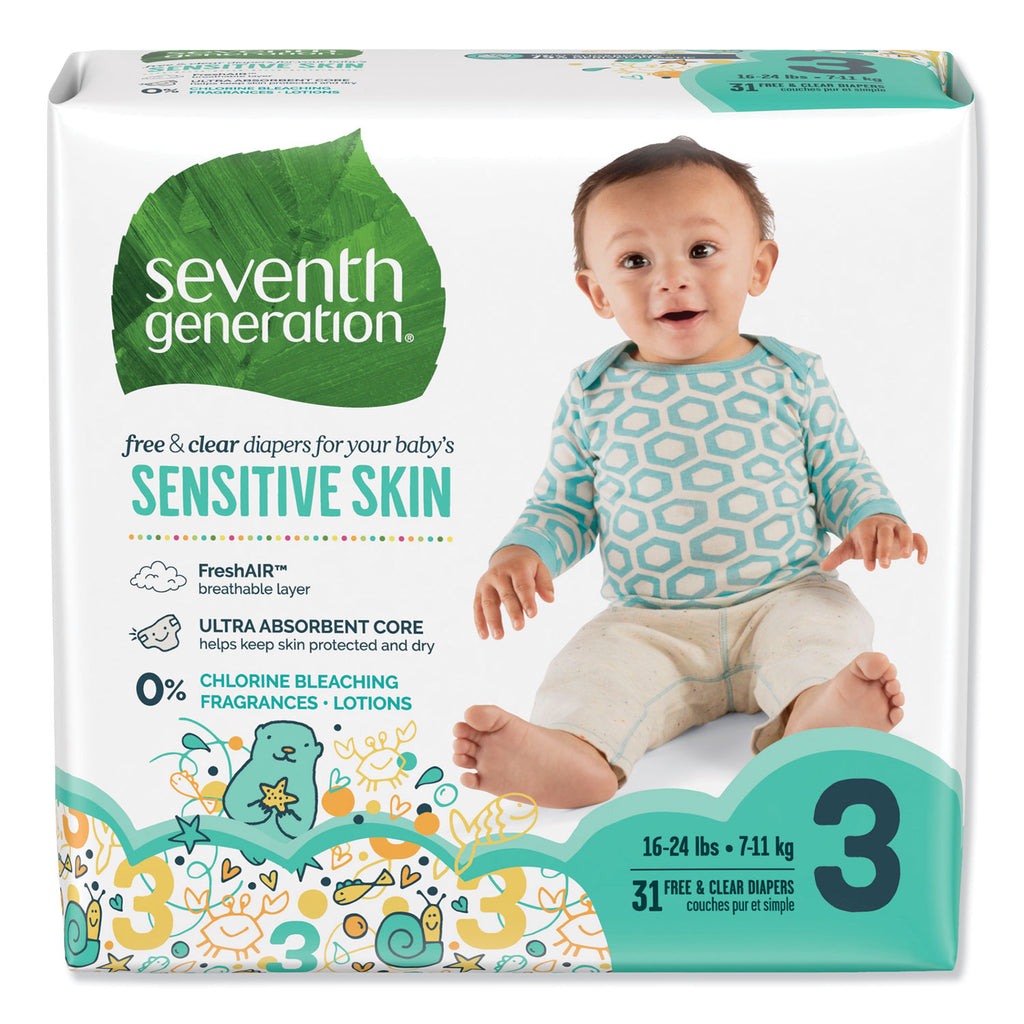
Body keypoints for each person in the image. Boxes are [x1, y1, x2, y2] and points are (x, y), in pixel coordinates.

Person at [453, 137, 926, 809]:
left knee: (822, 634)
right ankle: (574, 751)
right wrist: (522, 553)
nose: (671, 279)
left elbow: (841, 469)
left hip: (784, 594)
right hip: (650, 622)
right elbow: (564, 504)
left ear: (758, 267)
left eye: (701, 250)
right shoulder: (594, 392)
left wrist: (874, 517)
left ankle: (817, 715)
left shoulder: (791, 375)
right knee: (592, 671)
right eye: (635, 261)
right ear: (596, 291)